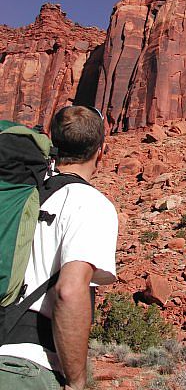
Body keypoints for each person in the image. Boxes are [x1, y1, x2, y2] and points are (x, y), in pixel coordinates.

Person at [0, 106, 118, 390]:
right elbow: (69, 290)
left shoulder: (19, 191)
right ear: (101, 151)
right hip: (23, 367)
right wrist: (77, 381)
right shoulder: (89, 203)